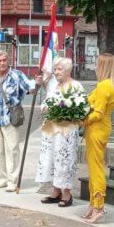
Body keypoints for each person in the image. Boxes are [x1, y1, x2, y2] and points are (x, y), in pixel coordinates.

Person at [35, 58, 83, 207]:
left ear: (68, 70)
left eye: (59, 69)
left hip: (66, 131)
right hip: (51, 129)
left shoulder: (76, 86)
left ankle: (67, 194)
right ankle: (56, 192)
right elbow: (46, 102)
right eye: (55, 69)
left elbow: (81, 108)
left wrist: (65, 109)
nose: (56, 72)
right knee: (51, 158)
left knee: (65, 160)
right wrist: (45, 107)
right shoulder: (53, 86)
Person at [81, 53, 114, 223]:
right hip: (101, 128)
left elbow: (97, 113)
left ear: (104, 67)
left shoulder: (104, 86)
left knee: (96, 168)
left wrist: (80, 120)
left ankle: (98, 206)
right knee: (94, 167)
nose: (96, 67)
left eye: (98, 64)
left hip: (96, 129)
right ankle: (93, 204)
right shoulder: (112, 85)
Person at [0, 50, 31, 192]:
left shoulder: (17, 75)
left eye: (4, 60)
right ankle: (3, 178)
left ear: (8, 60)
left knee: (12, 150)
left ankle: (13, 180)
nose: (2, 63)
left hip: (11, 118)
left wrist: (38, 83)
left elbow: (31, 88)